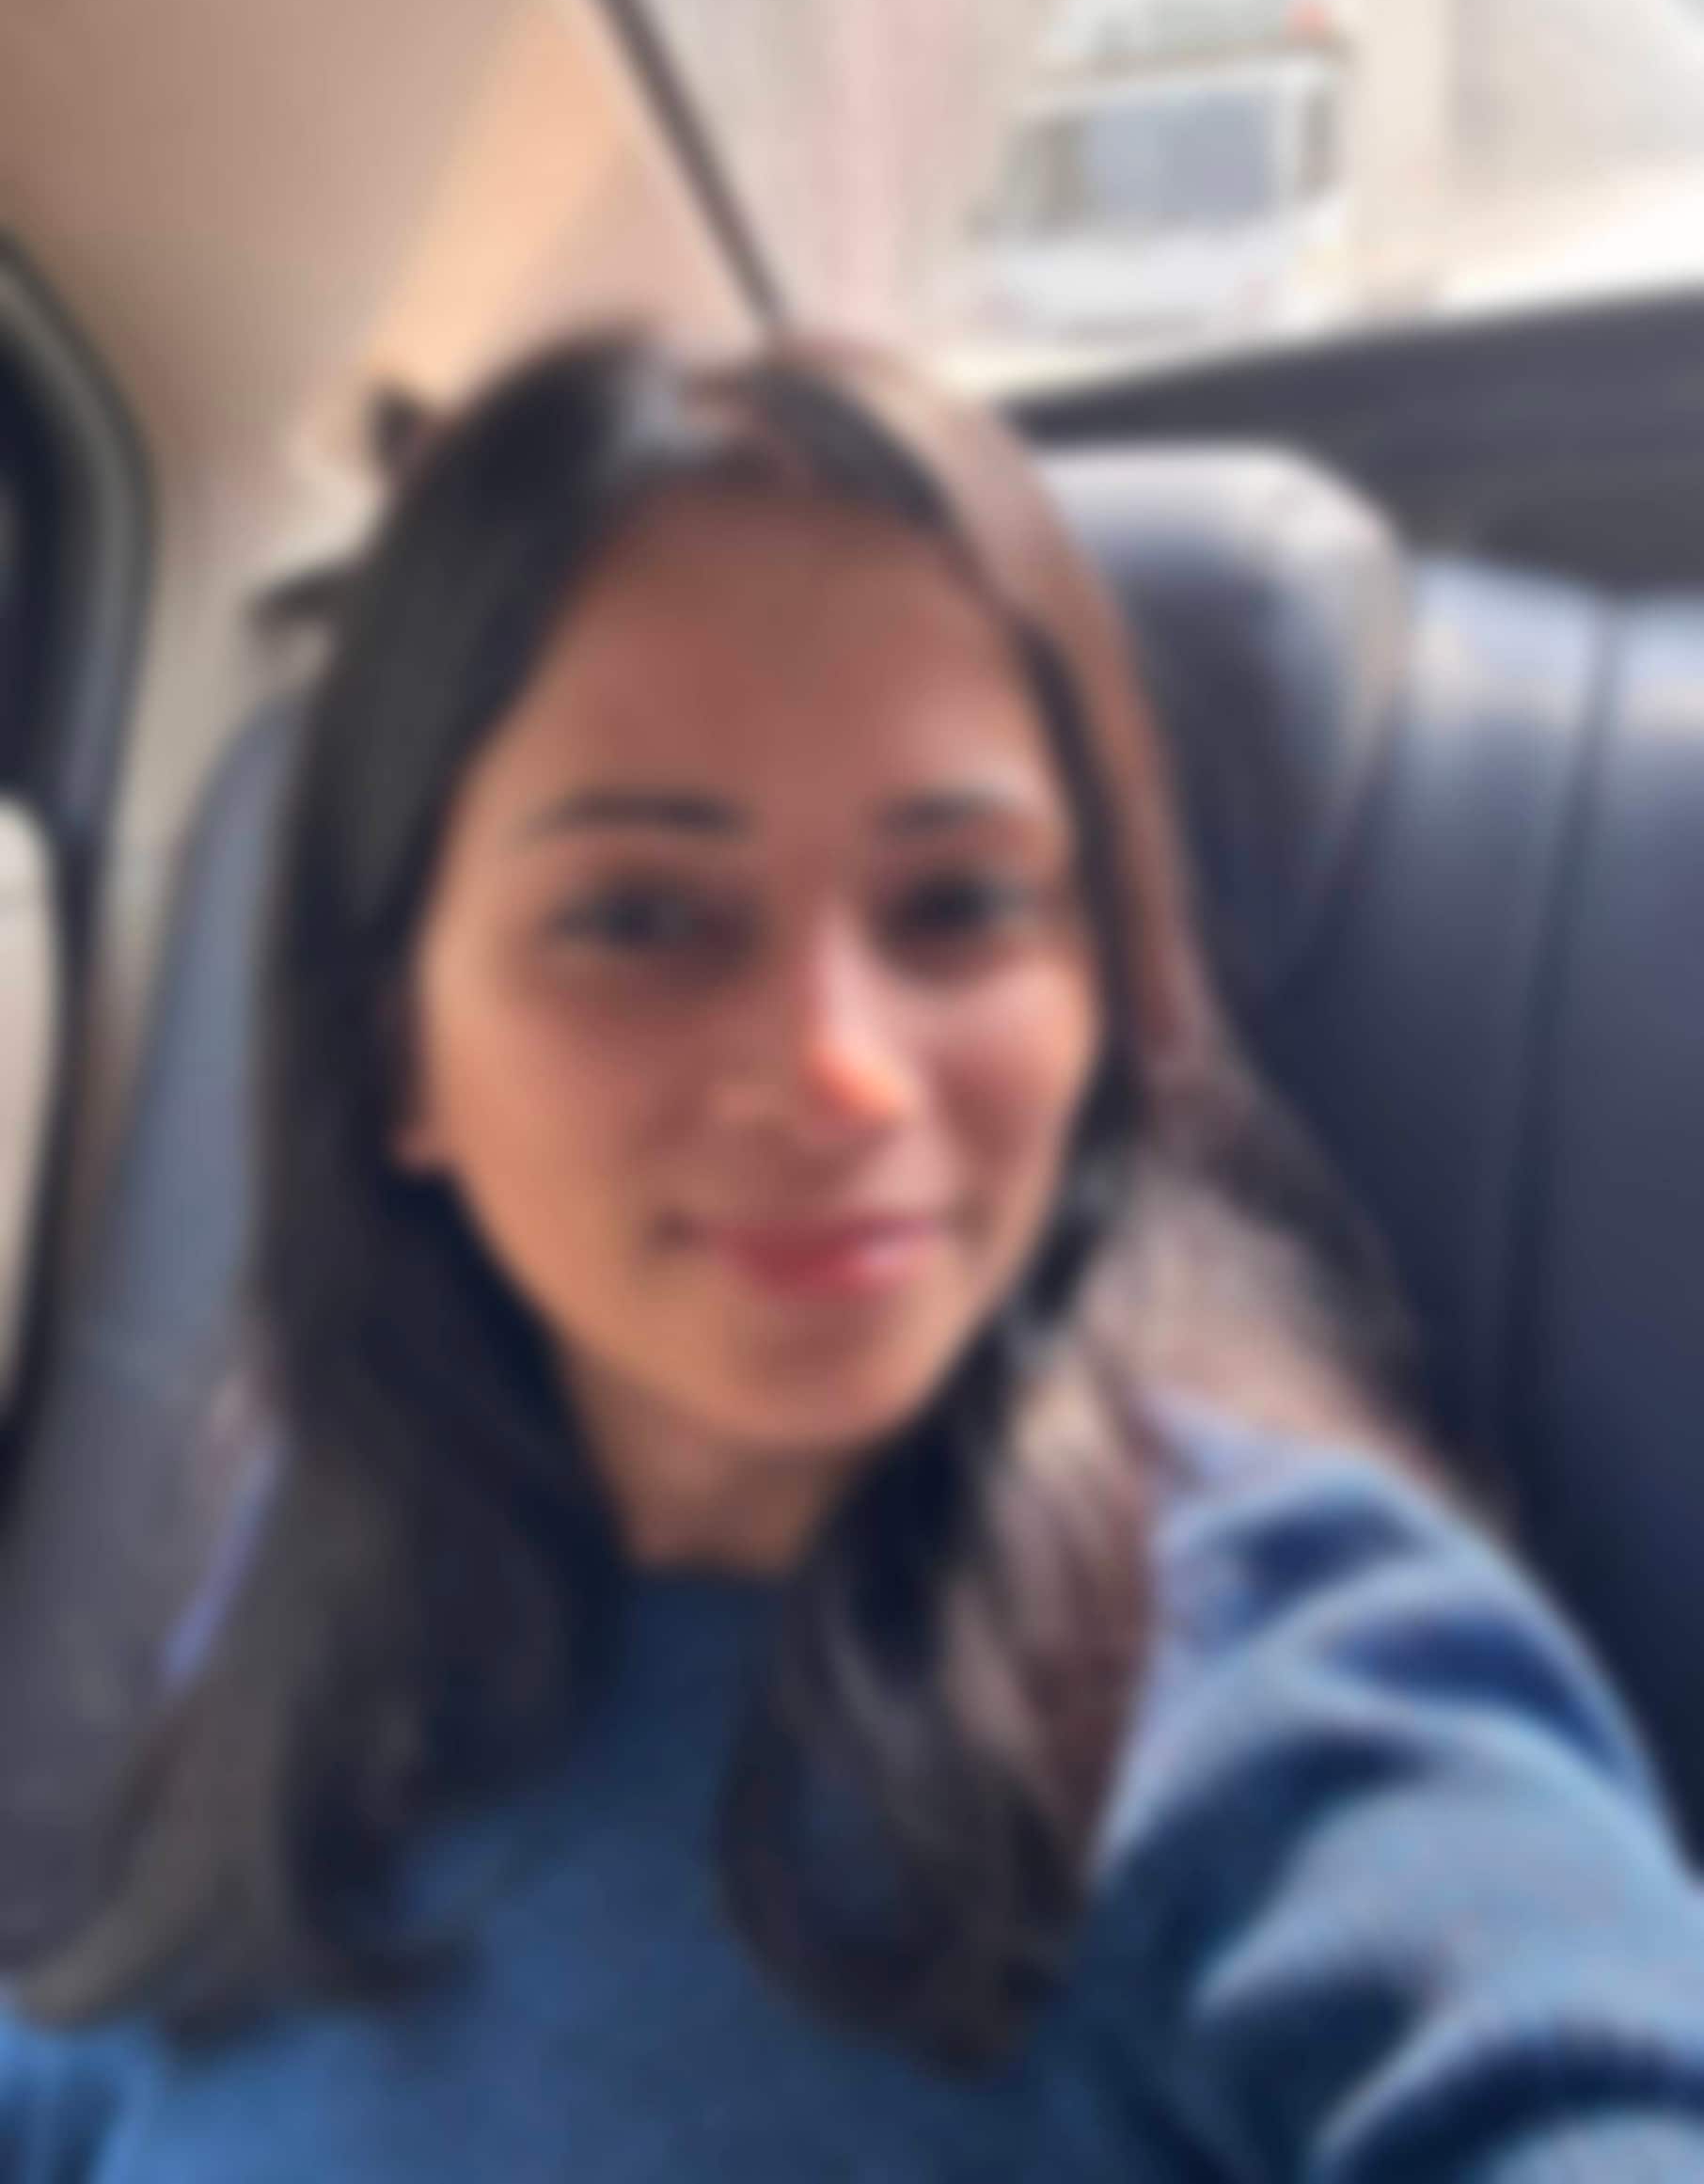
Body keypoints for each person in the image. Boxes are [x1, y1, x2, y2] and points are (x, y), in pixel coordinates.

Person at [4, 331, 1704, 2180]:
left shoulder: (1263, 1658)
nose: (840, 1072)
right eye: (642, 917)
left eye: (957, 903)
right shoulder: (336, 1541)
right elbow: (133, 2063)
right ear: (396, 1043)